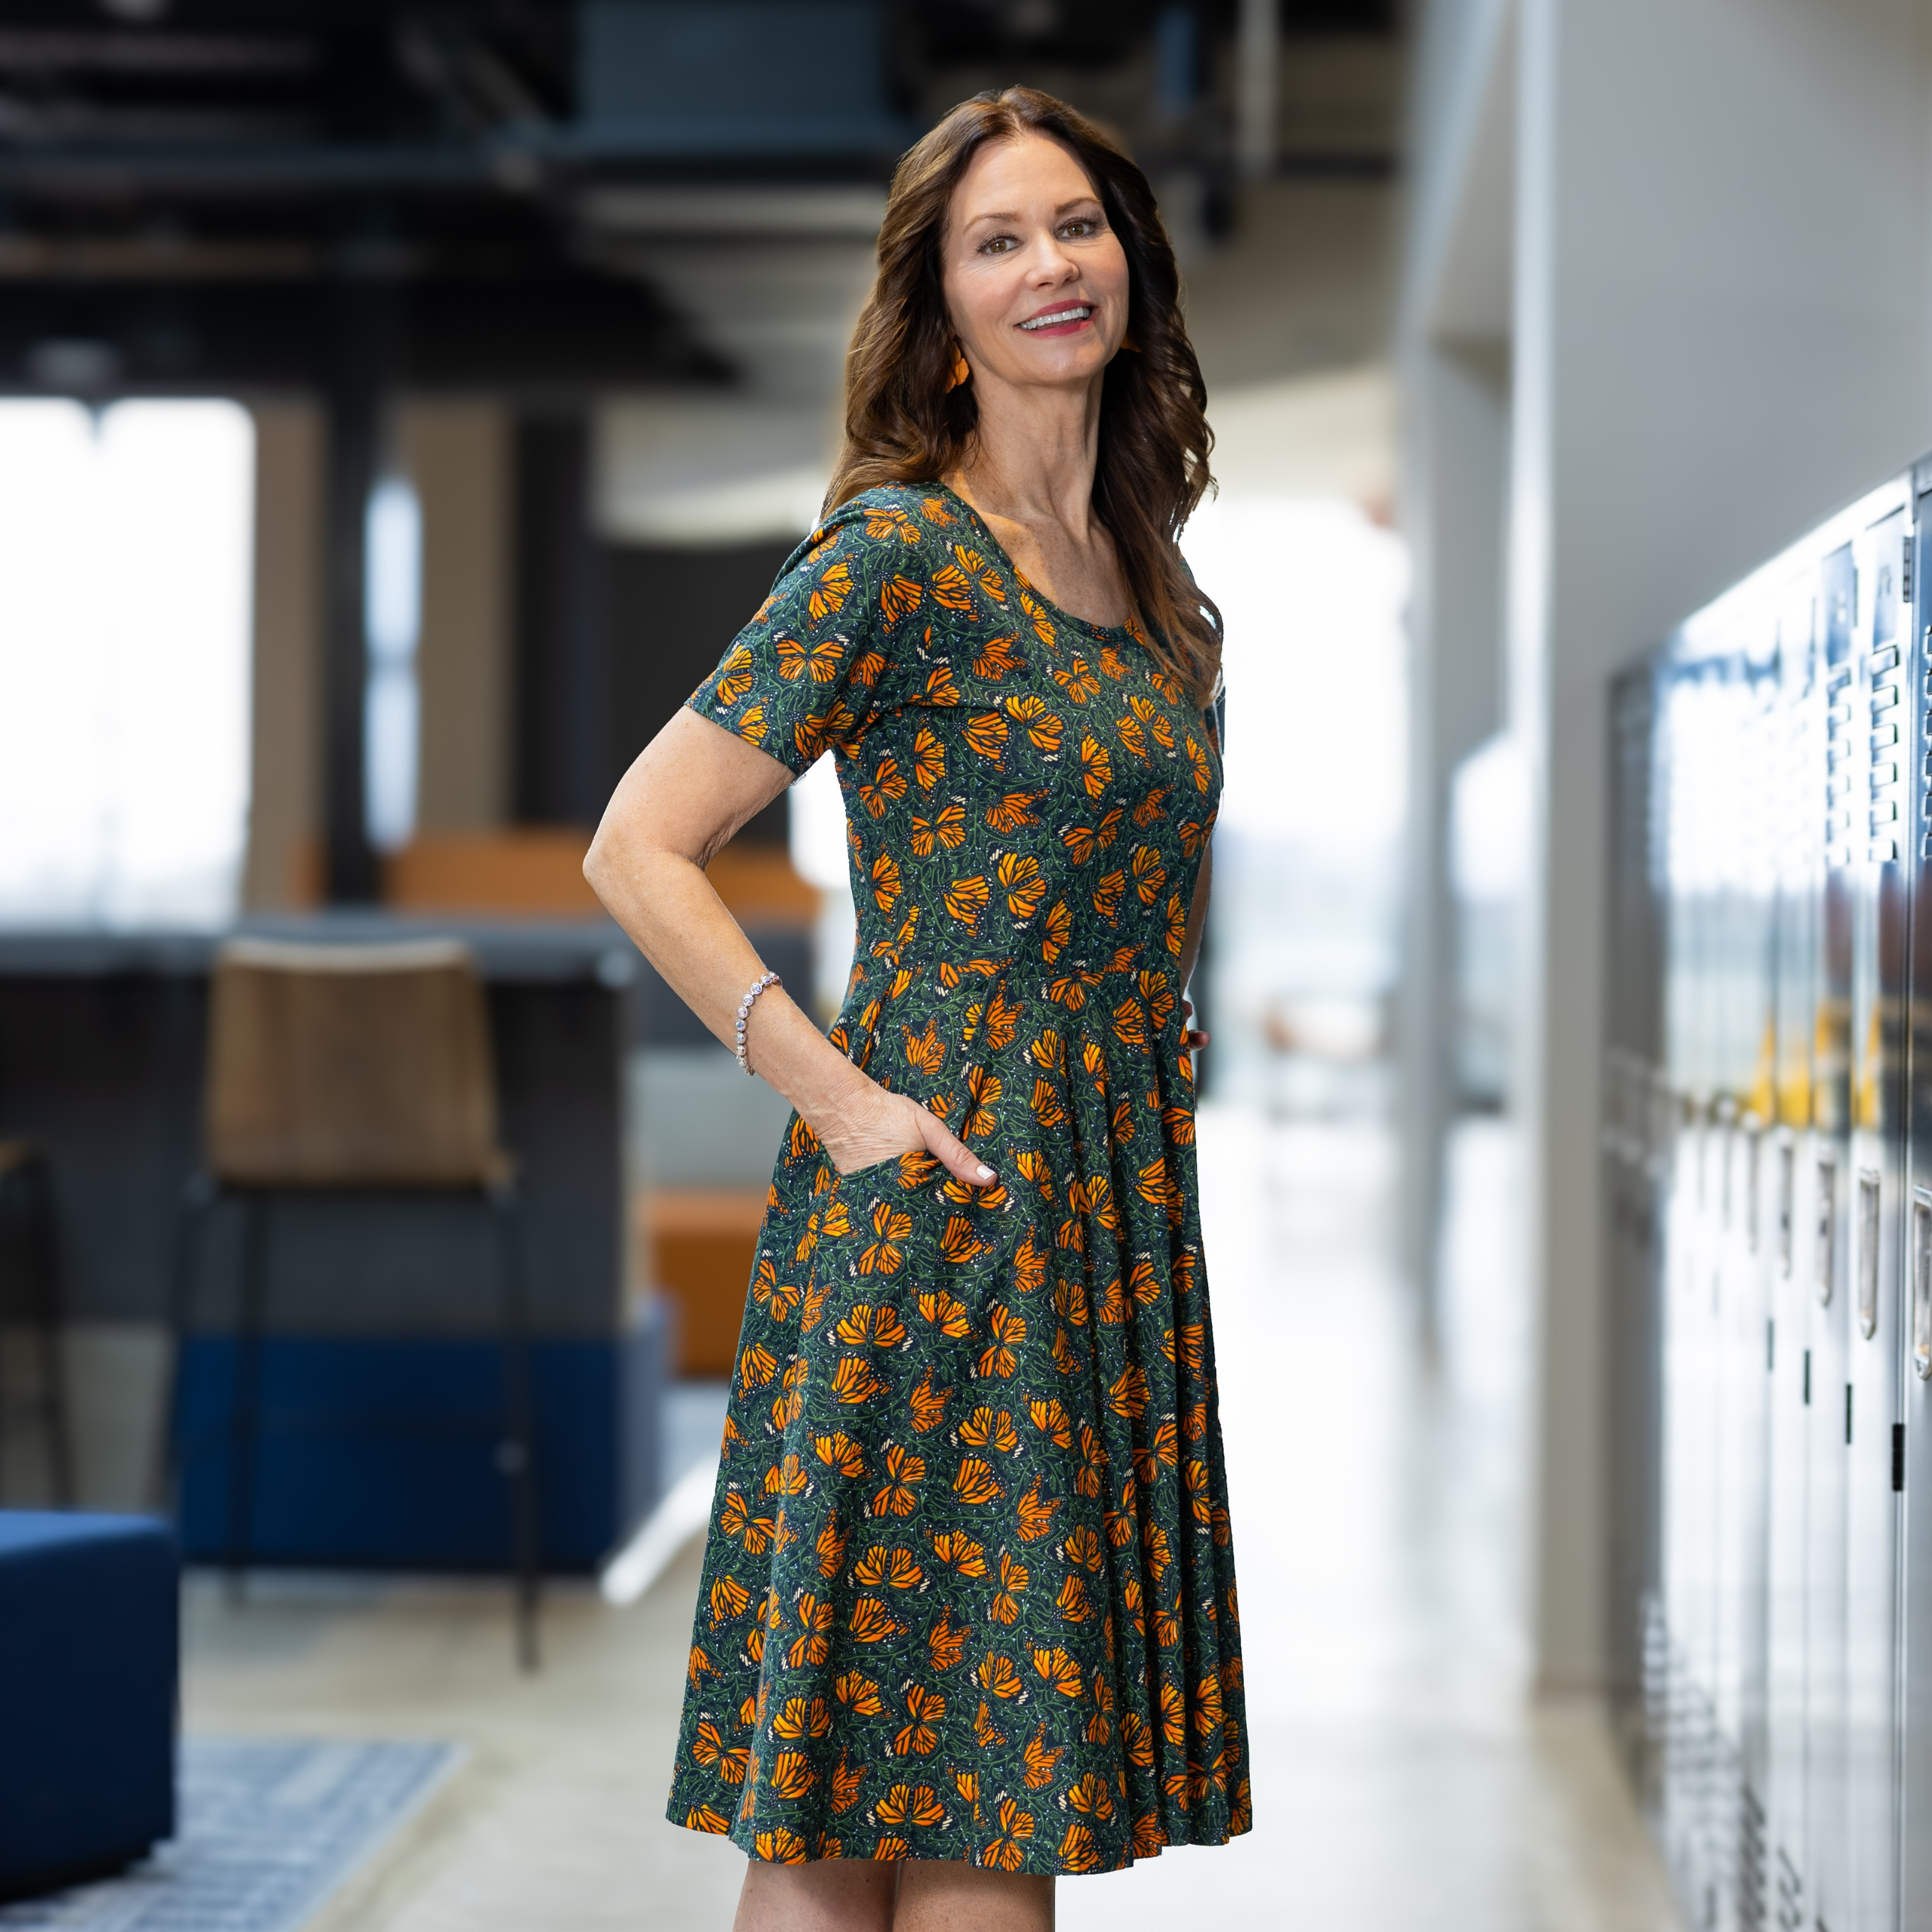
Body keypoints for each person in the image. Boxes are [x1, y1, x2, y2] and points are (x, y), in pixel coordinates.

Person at [585, 83, 1247, 1932]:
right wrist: (834, 1096)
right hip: (929, 1198)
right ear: (938, 310)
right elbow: (640, 844)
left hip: (1095, 1221)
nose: (1050, 264)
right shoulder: (894, 559)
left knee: (974, 1793)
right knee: (875, 1808)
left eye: (1075, 226)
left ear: (1128, 260)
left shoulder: (1164, 596)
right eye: (997, 239)